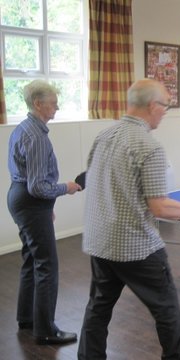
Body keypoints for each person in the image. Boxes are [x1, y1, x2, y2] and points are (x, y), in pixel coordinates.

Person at [77, 79, 180, 360]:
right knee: (166, 309)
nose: (165, 112)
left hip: (100, 243)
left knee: (97, 309)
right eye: (166, 106)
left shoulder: (103, 136)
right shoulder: (150, 146)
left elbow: (94, 181)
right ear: (151, 106)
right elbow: (159, 208)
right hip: (136, 248)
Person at [7, 80, 82, 345]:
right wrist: (67, 188)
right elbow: (38, 186)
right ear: (38, 104)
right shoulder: (36, 136)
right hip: (30, 202)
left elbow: (28, 180)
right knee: (47, 265)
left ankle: (26, 318)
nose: (57, 107)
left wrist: (44, 208)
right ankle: (46, 330)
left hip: (21, 200)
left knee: (31, 260)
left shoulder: (23, 129)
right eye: (53, 102)